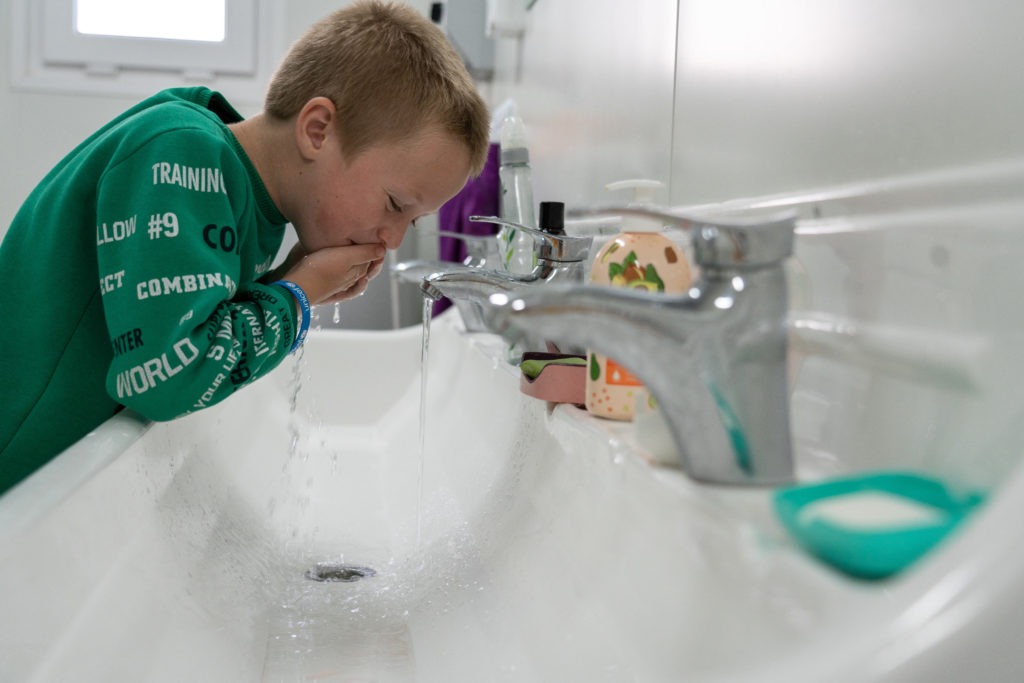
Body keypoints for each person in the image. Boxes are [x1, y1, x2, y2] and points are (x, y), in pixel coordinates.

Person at [0, 0, 490, 495]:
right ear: (317, 130)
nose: (395, 237)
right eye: (394, 203)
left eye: (412, 219)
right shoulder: (179, 153)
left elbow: (192, 325)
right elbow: (168, 377)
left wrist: (286, 285)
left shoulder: (248, 196)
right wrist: (296, 297)